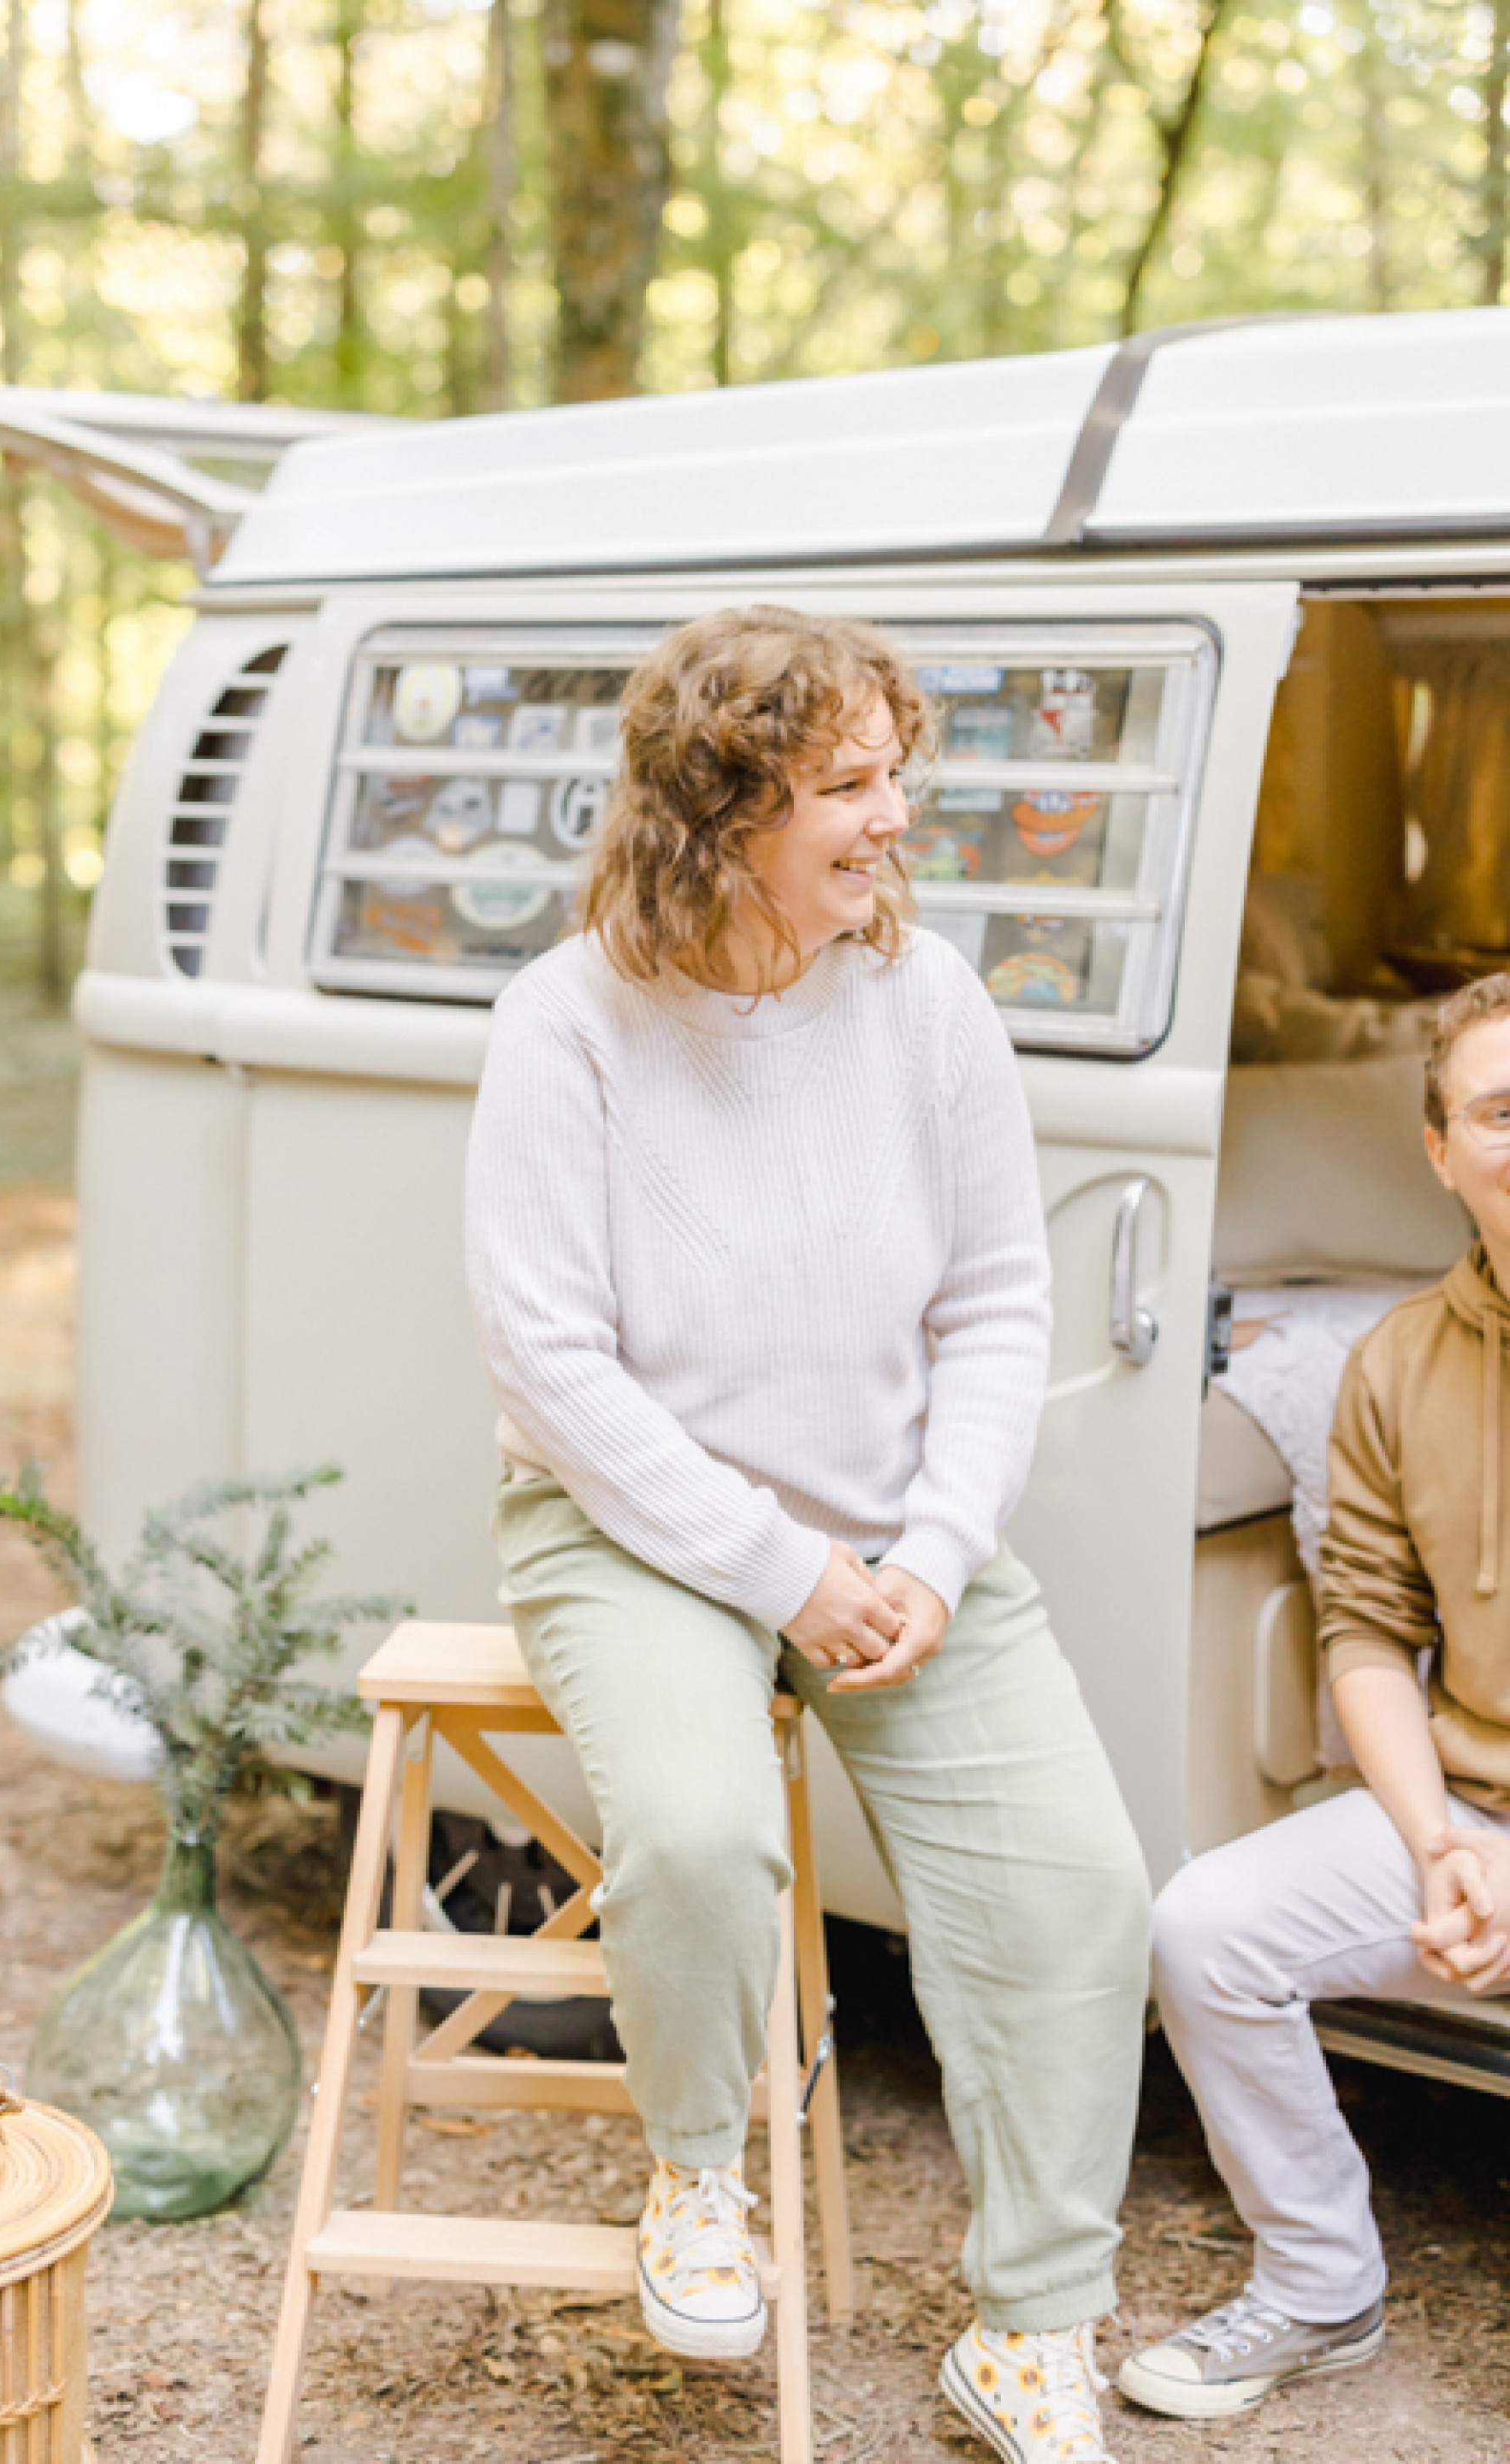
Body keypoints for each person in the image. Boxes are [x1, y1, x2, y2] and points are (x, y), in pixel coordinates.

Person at [465, 607, 1151, 2464]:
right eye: (848, 783)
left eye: (891, 774)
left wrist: (930, 1554)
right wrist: (789, 1574)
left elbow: (997, 1304)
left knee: (1080, 1890)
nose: (894, 816)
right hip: (629, 1523)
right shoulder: (565, 1023)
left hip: (895, 1530)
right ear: (723, 808)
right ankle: (698, 2179)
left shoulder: (930, 1005)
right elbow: (553, 1362)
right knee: (698, 1833)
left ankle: (1033, 2332)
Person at [1120, 972, 1510, 2423]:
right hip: (1475, 1814)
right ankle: (1319, 2284)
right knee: (1206, 1927)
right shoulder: (1394, 1362)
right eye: (1499, 1112)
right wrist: (1440, 1844)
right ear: (1441, 1152)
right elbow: (1367, 1633)